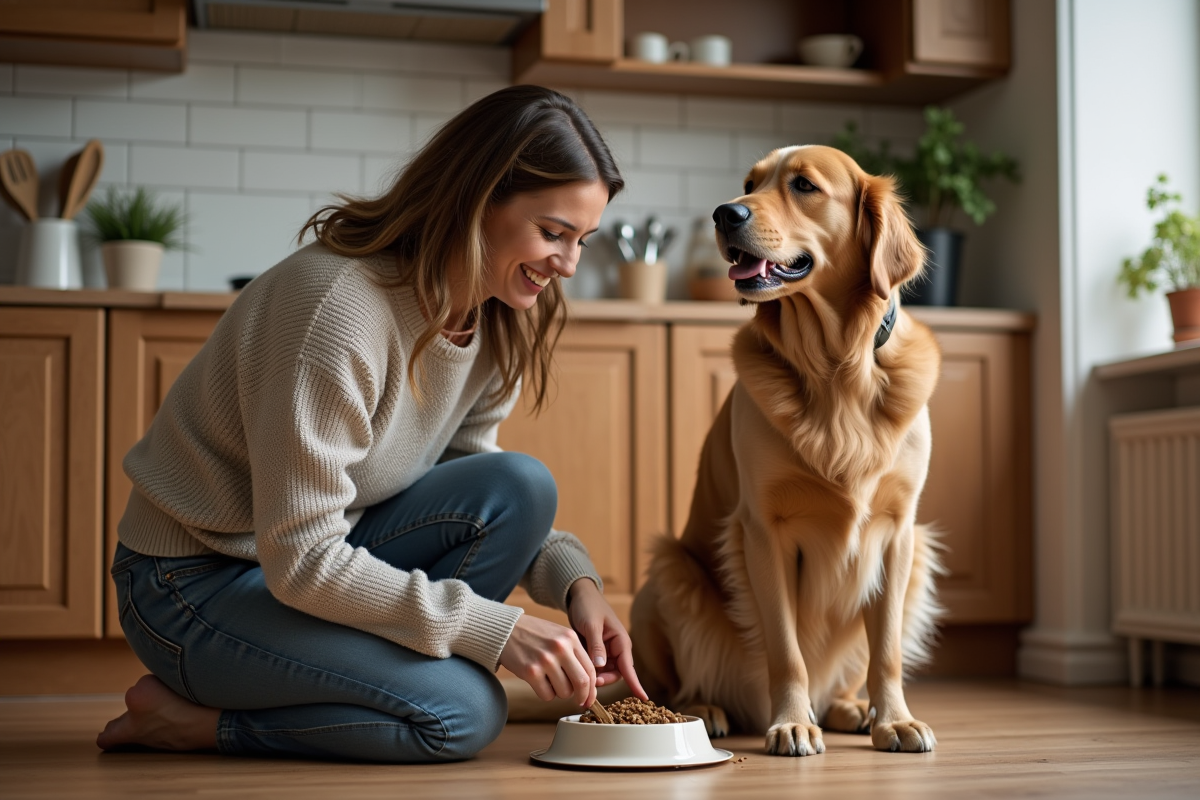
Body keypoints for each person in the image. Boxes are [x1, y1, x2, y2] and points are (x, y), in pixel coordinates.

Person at [95, 85, 645, 763]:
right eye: (553, 232)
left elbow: (474, 480)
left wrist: (576, 587)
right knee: (461, 712)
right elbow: (300, 556)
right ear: (476, 201)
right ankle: (191, 723)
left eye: (582, 239)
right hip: (190, 587)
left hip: (311, 562)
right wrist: (496, 630)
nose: (568, 264)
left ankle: (381, 678)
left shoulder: (497, 317)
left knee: (520, 484)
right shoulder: (336, 310)